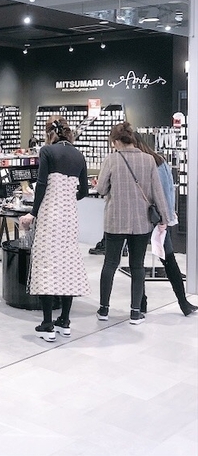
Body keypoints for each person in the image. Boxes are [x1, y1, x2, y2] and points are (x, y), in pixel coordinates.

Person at [19, 116, 90, 342]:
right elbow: (84, 191)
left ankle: (48, 323)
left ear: (49, 133)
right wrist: (68, 198)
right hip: (69, 218)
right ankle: (65, 321)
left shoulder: (47, 151)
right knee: (68, 265)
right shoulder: (79, 155)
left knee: (46, 265)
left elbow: (41, 184)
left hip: (50, 215)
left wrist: (33, 212)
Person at [95, 122, 170, 325]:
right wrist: (164, 218)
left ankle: (103, 310)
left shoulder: (111, 160)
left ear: (116, 141)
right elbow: (158, 192)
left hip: (115, 220)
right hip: (141, 221)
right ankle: (136, 312)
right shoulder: (148, 160)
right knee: (137, 266)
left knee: (110, 264)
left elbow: (101, 189)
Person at [133, 132, 197, 316]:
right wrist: (166, 218)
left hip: (141, 218)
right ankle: (183, 302)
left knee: (138, 262)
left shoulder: (141, 163)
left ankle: (141, 304)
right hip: (157, 217)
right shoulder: (158, 161)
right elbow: (168, 191)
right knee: (169, 260)